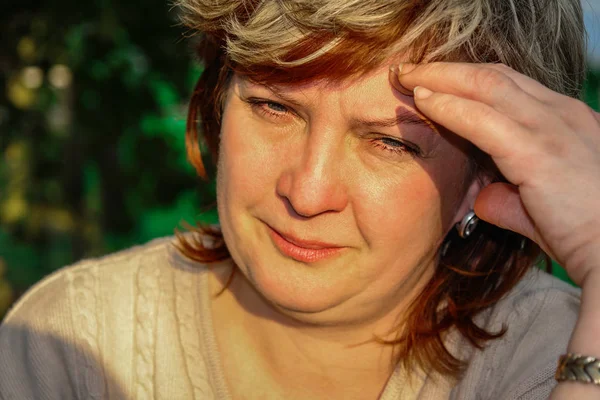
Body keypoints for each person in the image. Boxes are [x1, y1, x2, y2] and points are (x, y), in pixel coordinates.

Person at [1, 0, 599, 398]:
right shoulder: (73, 345)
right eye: (274, 107)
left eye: (390, 143)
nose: (308, 193)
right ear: (217, 102)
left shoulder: (551, 356)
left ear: (483, 178)